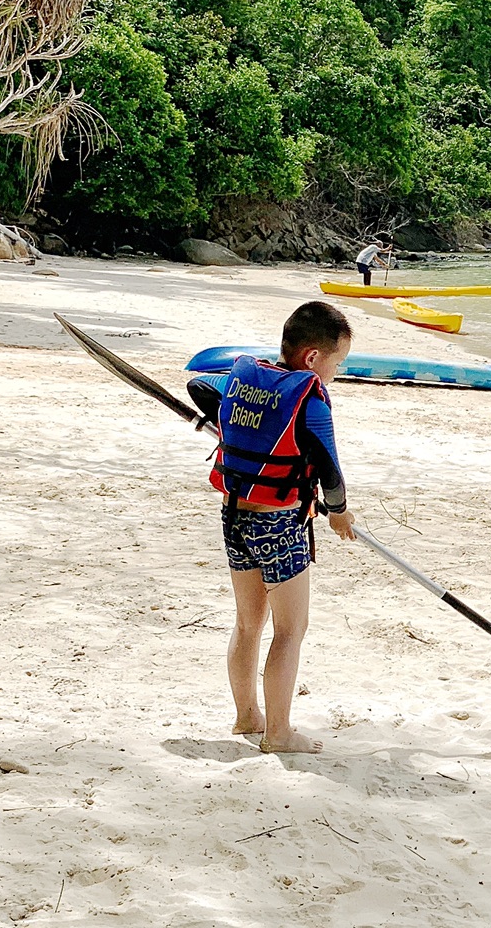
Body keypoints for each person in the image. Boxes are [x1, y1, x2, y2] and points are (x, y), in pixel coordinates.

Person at [188, 302, 357, 753]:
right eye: (337, 362)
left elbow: (197, 386)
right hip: (278, 524)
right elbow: (330, 469)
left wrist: (230, 421)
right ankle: (278, 734)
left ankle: (247, 716)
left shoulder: (245, 376)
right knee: (290, 630)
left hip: (236, 514)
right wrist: (339, 512)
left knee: (248, 623)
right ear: (311, 358)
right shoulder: (311, 399)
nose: (337, 372)